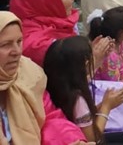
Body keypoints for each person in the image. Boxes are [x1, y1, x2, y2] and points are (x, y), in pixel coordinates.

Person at [0, 11, 90, 145]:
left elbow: (50, 118)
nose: (17, 51)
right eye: (5, 44)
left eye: (19, 41)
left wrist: (72, 141)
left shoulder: (29, 73)